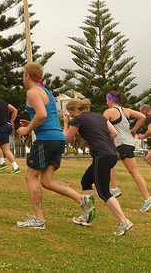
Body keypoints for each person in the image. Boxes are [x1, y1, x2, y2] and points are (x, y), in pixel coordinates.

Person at [15, 63, 94, 230]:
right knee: (47, 181)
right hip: (57, 138)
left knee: (30, 177)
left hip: (46, 139)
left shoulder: (32, 92)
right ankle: (83, 200)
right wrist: (33, 124)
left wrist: (28, 129)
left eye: (23, 75)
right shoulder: (46, 92)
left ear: (27, 76)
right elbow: (46, 116)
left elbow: (42, 114)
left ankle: (39, 220)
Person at [63, 98, 134, 236]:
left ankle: (124, 221)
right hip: (112, 153)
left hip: (101, 156)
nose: (70, 116)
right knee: (86, 181)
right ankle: (87, 215)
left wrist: (66, 124)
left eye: (70, 112)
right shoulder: (100, 117)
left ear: (76, 110)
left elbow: (67, 139)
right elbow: (114, 133)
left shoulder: (79, 119)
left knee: (104, 193)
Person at [103, 91, 151, 212]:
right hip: (129, 143)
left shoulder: (108, 112)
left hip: (121, 144)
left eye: (107, 100)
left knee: (108, 161)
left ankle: (145, 197)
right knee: (109, 162)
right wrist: (134, 130)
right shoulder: (126, 110)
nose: (106, 102)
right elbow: (142, 117)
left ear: (110, 100)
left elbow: (103, 126)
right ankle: (116, 189)